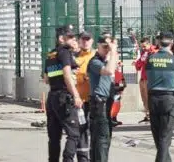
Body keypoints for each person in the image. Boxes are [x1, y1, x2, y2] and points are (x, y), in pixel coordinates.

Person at [44, 24, 84, 162]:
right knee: (74, 134)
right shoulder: (65, 52)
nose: (74, 39)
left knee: (54, 137)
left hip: (52, 97)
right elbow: (67, 75)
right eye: (70, 37)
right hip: (63, 97)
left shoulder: (51, 54)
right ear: (61, 39)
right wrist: (76, 95)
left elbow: (46, 79)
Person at [146, 31, 174, 162]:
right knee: (165, 137)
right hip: (168, 99)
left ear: (158, 42)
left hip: (153, 99)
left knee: (158, 138)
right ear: (172, 43)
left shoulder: (150, 58)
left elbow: (147, 78)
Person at [88, 34, 119, 161]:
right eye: (105, 47)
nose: (107, 49)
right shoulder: (95, 61)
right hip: (99, 103)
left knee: (100, 139)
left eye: (108, 47)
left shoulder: (106, 61)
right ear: (98, 46)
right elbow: (109, 71)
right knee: (102, 139)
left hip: (106, 103)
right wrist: (113, 51)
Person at [75, 31, 96, 162]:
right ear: (79, 41)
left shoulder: (96, 56)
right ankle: (83, 159)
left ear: (92, 41)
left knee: (94, 129)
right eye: (83, 39)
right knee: (81, 129)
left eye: (88, 39)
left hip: (94, 99)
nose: (85, 42)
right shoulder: (74, 57)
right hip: (80, 100)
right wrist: (82, 77)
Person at [134, 36, 158, 123]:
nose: (143, 48)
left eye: (144, 46)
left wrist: (145, 59)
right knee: (144, 98)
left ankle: (152, 115)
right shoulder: (144, 52)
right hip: (143, 78)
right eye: (142, 47)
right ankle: (147, 115)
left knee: (150, 99)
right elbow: (138, 66)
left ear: (149, 44)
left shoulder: (154, 51)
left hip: (150, 79)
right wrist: (139, 61)